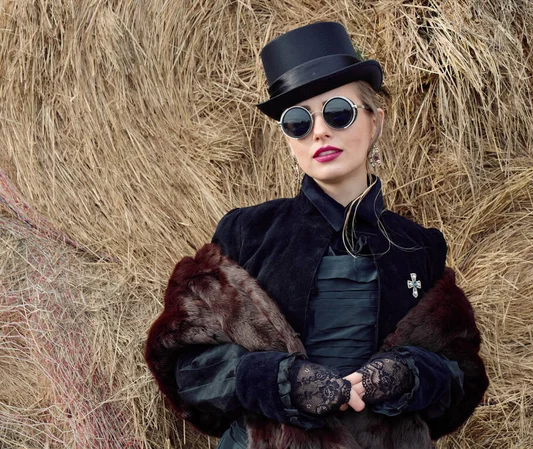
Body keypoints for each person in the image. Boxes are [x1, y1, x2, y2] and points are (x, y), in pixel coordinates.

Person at [145, 22, 488, 449]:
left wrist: (411, 375)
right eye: (298, 121)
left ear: (374, 121)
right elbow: (189, 372)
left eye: (338, 112)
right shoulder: (246, 235)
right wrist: (276, 382)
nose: (320, 131)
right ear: (288, 141)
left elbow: (461, 380)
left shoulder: (419, 246)